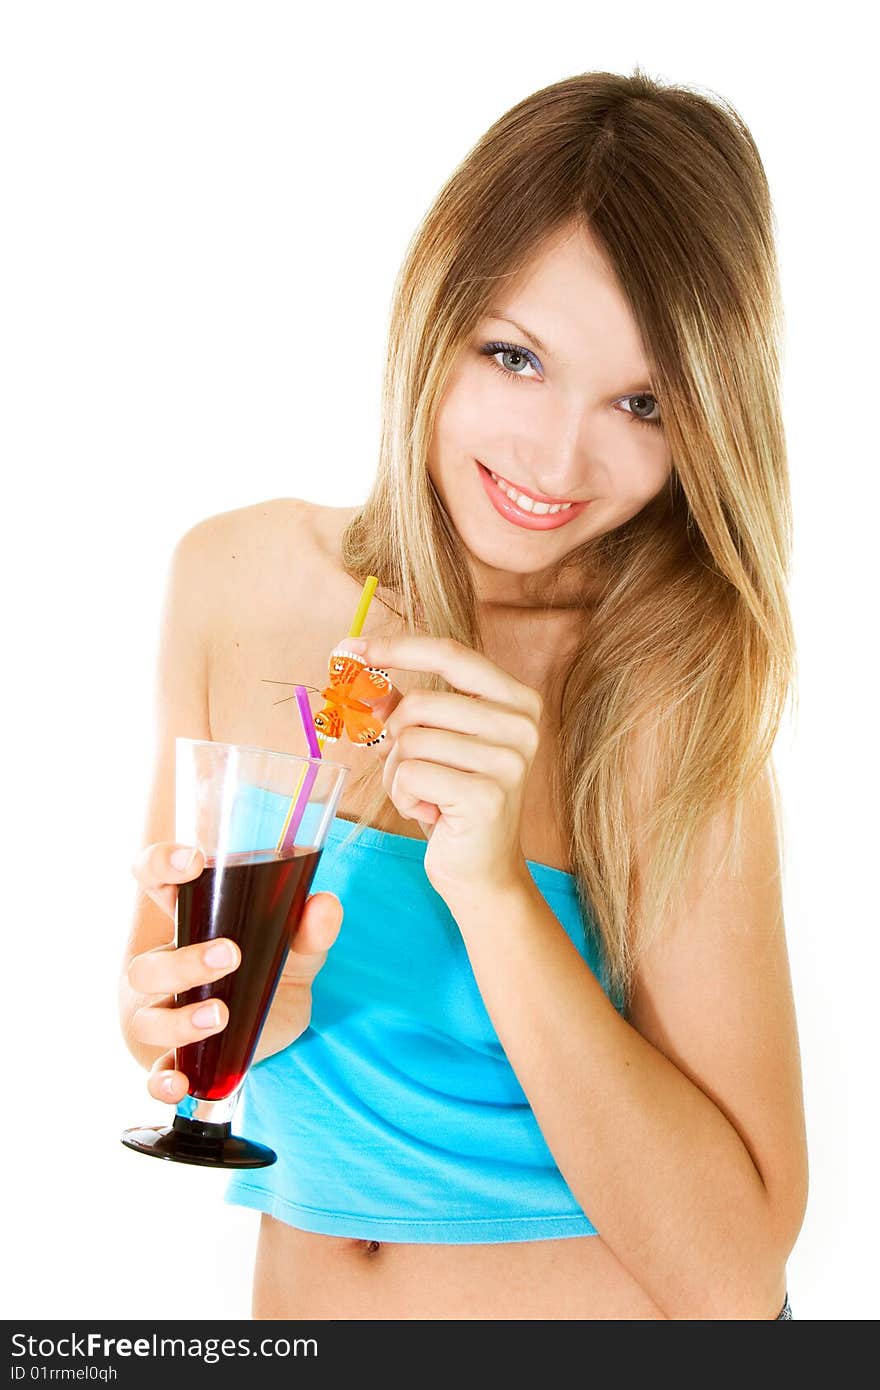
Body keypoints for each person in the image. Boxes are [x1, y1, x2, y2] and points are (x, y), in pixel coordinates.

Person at [119, 67, 807, 1320]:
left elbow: (733, 1271)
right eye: (515, 357)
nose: (556, 461)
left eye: (642, 403)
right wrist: (202, 1023)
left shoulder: (666, 685)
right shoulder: (230, 580)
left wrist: (491, 891)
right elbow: (181, 1019)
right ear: (431, 314)